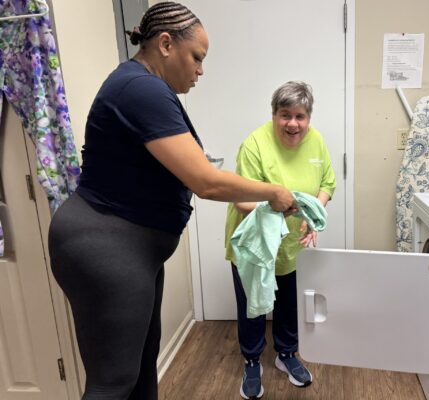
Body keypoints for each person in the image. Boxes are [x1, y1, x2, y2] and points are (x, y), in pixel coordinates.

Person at [47, 3, 296, 400]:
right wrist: (274, 192)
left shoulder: (145, 85)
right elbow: (205, 182)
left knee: (141, 367)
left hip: (131, 248)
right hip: (106, 246)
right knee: (112, 384)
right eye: (197, 57)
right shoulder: (140, 88)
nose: (200, 70)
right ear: (165, 44)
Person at [224, 81, 336, 399]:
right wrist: (283, 205)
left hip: (291, 242)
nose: (293, 124)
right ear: (274, 115)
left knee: (289, 301)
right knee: (252, 304)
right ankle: (251, 360)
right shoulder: (255, 145)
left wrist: (314, 215)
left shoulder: (316, 142)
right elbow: (241, 200)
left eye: (300, 116)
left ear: (308, 118)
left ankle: (286, 353)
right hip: (255, 244)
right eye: (285, 115)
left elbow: (327, 183)